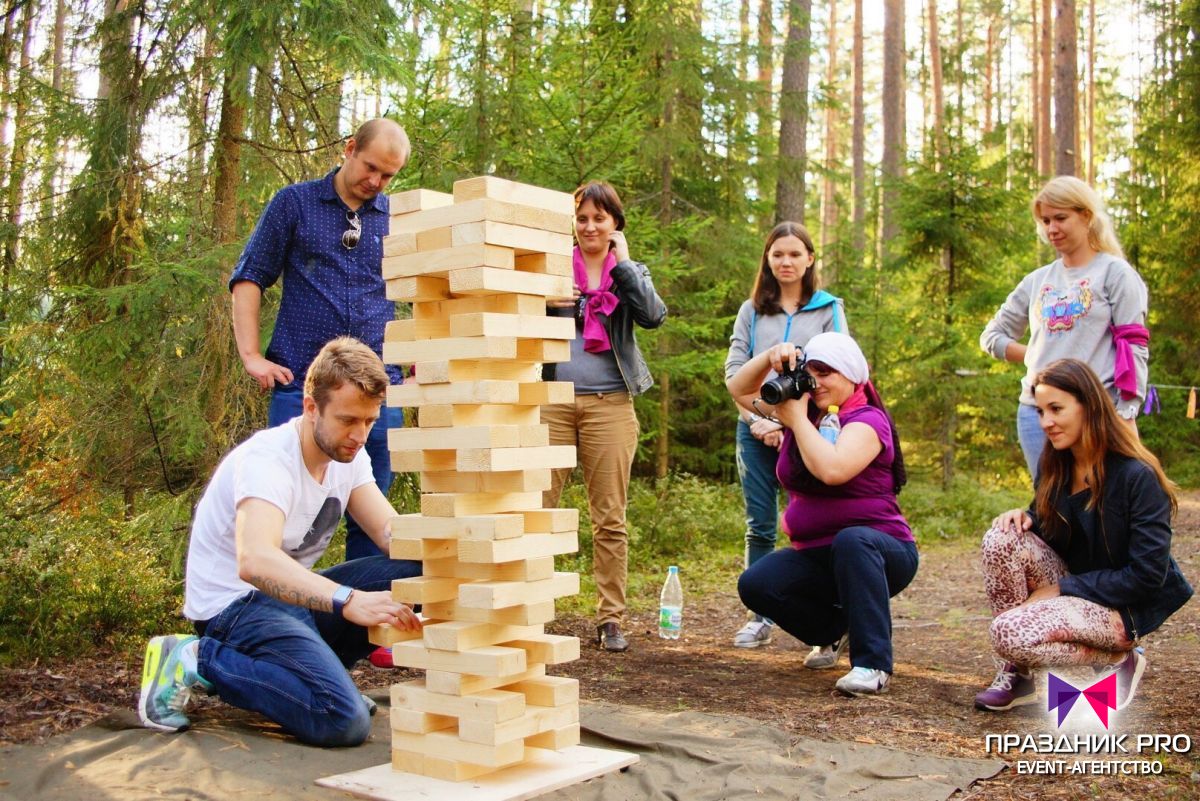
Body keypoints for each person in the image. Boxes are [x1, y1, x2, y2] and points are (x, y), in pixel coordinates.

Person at [137, 337, 423, 745]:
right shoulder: (268, 461)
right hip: (235, 607)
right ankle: (194, 658)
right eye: (347, 420)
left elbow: (389, 534)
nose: (360, 435)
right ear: (311, 407)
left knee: (422, 568)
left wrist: (456, 541)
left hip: (291, 602)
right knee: (343, 720)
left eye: (369, 421)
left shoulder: (350, 456)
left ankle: (312, 681)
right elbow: (254, 560)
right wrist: (348, 599)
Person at [229, 118, 410, 563]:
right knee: (283, 509)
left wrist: (419, 353)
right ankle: (275, 616)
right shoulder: (295, 204)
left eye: (388, 175)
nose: (376, 182)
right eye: (370, 167)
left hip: (378, 393)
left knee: (373, 520)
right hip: (301, 389)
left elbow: (420, 292)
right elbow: (250, 276)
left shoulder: (398, 220)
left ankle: (365, 627)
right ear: (349, 148)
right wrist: (251, 355)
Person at [973, 358, 1192, 712]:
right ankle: (1020, 673)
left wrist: (1060, 589)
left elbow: (1147, 576)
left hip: (1122, 608)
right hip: (1079, 592)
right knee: (1001, 537)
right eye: (1041, 411)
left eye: (1056, 409)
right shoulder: (1055, 466)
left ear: (1088, 405)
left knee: (1007, 632)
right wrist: (1024, 517)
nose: (1046, 422)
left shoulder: (1137, 477)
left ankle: (1119, 660)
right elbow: (1054, 531)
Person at [729, 332, 917, 696]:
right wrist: (771, 356)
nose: (816, 382)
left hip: (882, 552)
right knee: (756, 583)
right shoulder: (804, 412)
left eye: (826, 372)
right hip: (820, 557)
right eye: (810, 372)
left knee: (853, 540)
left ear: (851, 375)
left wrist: (795, 421)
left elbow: (833, 470)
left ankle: (872, 664)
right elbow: (739, 390)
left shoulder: (867, 420)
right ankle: (835, 629)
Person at [542, 181, 667, 653]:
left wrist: (627, 263)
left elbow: (653, 316)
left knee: (609, 518)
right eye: (582, 218)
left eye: (600, 217)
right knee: (537, 510)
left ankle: (610, 619)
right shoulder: (553, 268)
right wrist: (550, 303)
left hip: (610, 404)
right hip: (551, 400)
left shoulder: (629, 271)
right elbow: (518, 316)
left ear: (615, 223)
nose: (590, 226)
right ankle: (528, 611)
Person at [724, 222, 847, 654]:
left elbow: (843, 371)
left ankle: (828, 624)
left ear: (810, 259)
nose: (786, 262)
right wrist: (761, 420)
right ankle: (759, 617)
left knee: (816, 526)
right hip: (754, 428)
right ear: (768, 259)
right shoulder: (751, 311)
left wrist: (794, 424)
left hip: (810, 433)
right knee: (759, 524)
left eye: (795, 254)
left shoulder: (829, 308)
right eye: (778, 254)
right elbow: (734, 375)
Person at [980, 175, 1149, 481]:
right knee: (1051, 508)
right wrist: (1036, 354)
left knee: (1103, 505)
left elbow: (1134, 345)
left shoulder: (1115, 274)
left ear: (1085, 216)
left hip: (1097, 412)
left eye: (1060, 218)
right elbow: (992, 337)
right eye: (1045, 220)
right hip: (1037, 414)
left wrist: (1127, 409)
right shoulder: (1037, 281)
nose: (1051, 229)